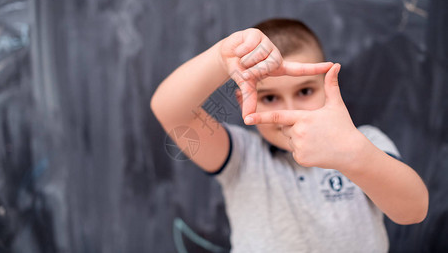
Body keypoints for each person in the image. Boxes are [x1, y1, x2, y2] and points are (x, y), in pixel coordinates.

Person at [150, 18, 428, 252]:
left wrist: (354, 155)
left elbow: (413, 210)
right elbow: (171, 111)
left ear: (329, 87)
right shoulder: (242, 157)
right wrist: (221, 58)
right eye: (270, 97)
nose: (291, 111)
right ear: (244, 99)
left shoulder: (364, 143)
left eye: (305, 92)